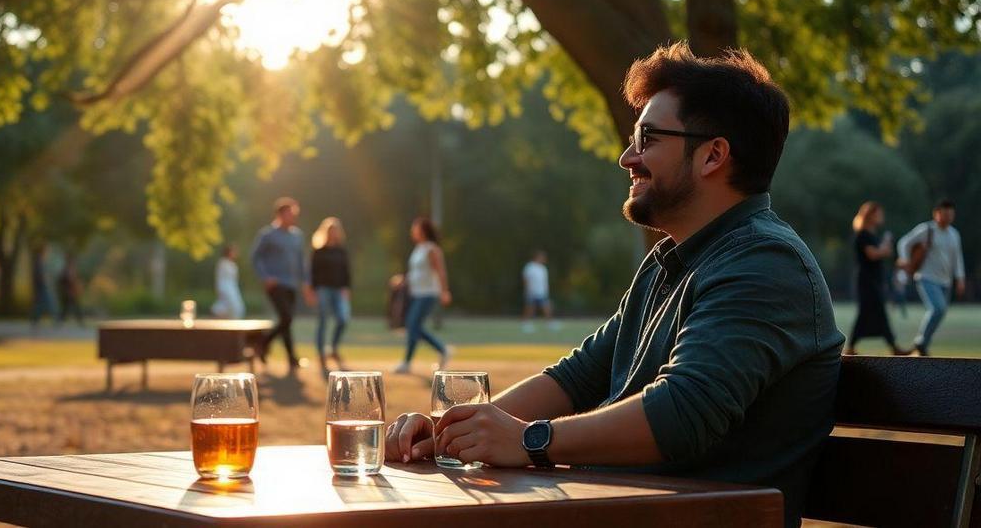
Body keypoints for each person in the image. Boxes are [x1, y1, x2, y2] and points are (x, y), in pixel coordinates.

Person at [385, 42, 843, 528]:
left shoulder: (765, 263)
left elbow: (682, 413)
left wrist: (528, 440)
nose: (628, 157)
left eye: (648, 139)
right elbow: (577, 378)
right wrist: (449, 432)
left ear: (713, 156)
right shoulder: (672, 261)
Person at [250, 197, 313, 373]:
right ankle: (263, 342)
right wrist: (266, 277)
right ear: (280, 214)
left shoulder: (297, 236)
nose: (293, 217)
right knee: (287, 318)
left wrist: (306, 283)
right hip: (275, 284)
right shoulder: (268, 234)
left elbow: (302, 261)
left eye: (294, 214)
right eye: (290, 214)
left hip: (292, 284)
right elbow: (255, 257)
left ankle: (290, 358)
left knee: (287, 322)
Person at [896, 199, 966, 356]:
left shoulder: (954, 234)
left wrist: (960, 278)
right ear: (936, 214)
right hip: (926, 277)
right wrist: (906, 260)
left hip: (945, 281)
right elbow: (904, 243)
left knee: (940, 312)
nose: (948, 217)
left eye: (951, 214)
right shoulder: (926, 230)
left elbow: (957, 258)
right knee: (938, 308)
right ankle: (921, 342)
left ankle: (923, 345)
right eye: (944, 213)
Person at [845, 202, 910, 356]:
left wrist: (884, 249)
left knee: (873, 312)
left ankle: (854, 346)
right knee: (871, 312)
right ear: (870, 215)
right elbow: (872, 254)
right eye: (878, 214)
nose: (881, 217)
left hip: (873, 280)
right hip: (866, 281)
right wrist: (885, 249)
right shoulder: (863, 235)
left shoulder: (872, 235)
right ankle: (892, 346)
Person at [394, 216, 452, 374]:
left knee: (412, 324)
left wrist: (445, 291)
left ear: (423, 230)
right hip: (417, 293)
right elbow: (416, 272)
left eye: (415, 228)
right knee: (414, 326)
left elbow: (440, 271)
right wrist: (403, 279)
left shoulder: (431, 249)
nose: (412, 231)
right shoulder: (418, 248)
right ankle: (441, 351)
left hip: (428, 293)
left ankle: (410, 361)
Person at [310, 217, 352, 375]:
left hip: (339, 289)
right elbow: (313, 272)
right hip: (323, 289)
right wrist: (313, 290)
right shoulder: (318, 251)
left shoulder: (341, 251)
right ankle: (321, 354)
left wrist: (347, 288)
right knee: (323, 321)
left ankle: (333, 347)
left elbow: (347, 271)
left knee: (343, 319)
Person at [521, 250, 558, 333]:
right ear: (537, 257)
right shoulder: (530, 267)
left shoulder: (543, 268)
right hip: (532, 292)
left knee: (547, 308)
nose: (544, 259)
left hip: (542, 292)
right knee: (530, 309)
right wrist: (527, 291)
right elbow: (526, 280)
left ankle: (550, 323)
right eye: (542, 257)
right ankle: (525, 324)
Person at [212, 244, 246, 319]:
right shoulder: (222, 263)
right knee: (231, 305)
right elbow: (220, 277)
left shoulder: (232, 264)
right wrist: (220, 288)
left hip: (232, 287)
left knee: (236, 306)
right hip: (225, 287)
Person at [29, 242, 56, 329]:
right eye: (47, 251)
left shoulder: (40, 261)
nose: (48, 253)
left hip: (42, 286)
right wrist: (46, 282)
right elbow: (40, 275)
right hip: (41, 287)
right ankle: (56, 320)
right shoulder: (39, 261)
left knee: (41, 304)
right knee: (48, 303)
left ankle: (35, 320)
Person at [56, 254, 84, 325]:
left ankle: (79, 320)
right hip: (68, 292)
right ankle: (79, 320)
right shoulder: (67, 270)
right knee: (70, 307)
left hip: (70, 292)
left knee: (70, 307)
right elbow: (66, 281)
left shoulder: (70, 269)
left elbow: (74, 280)